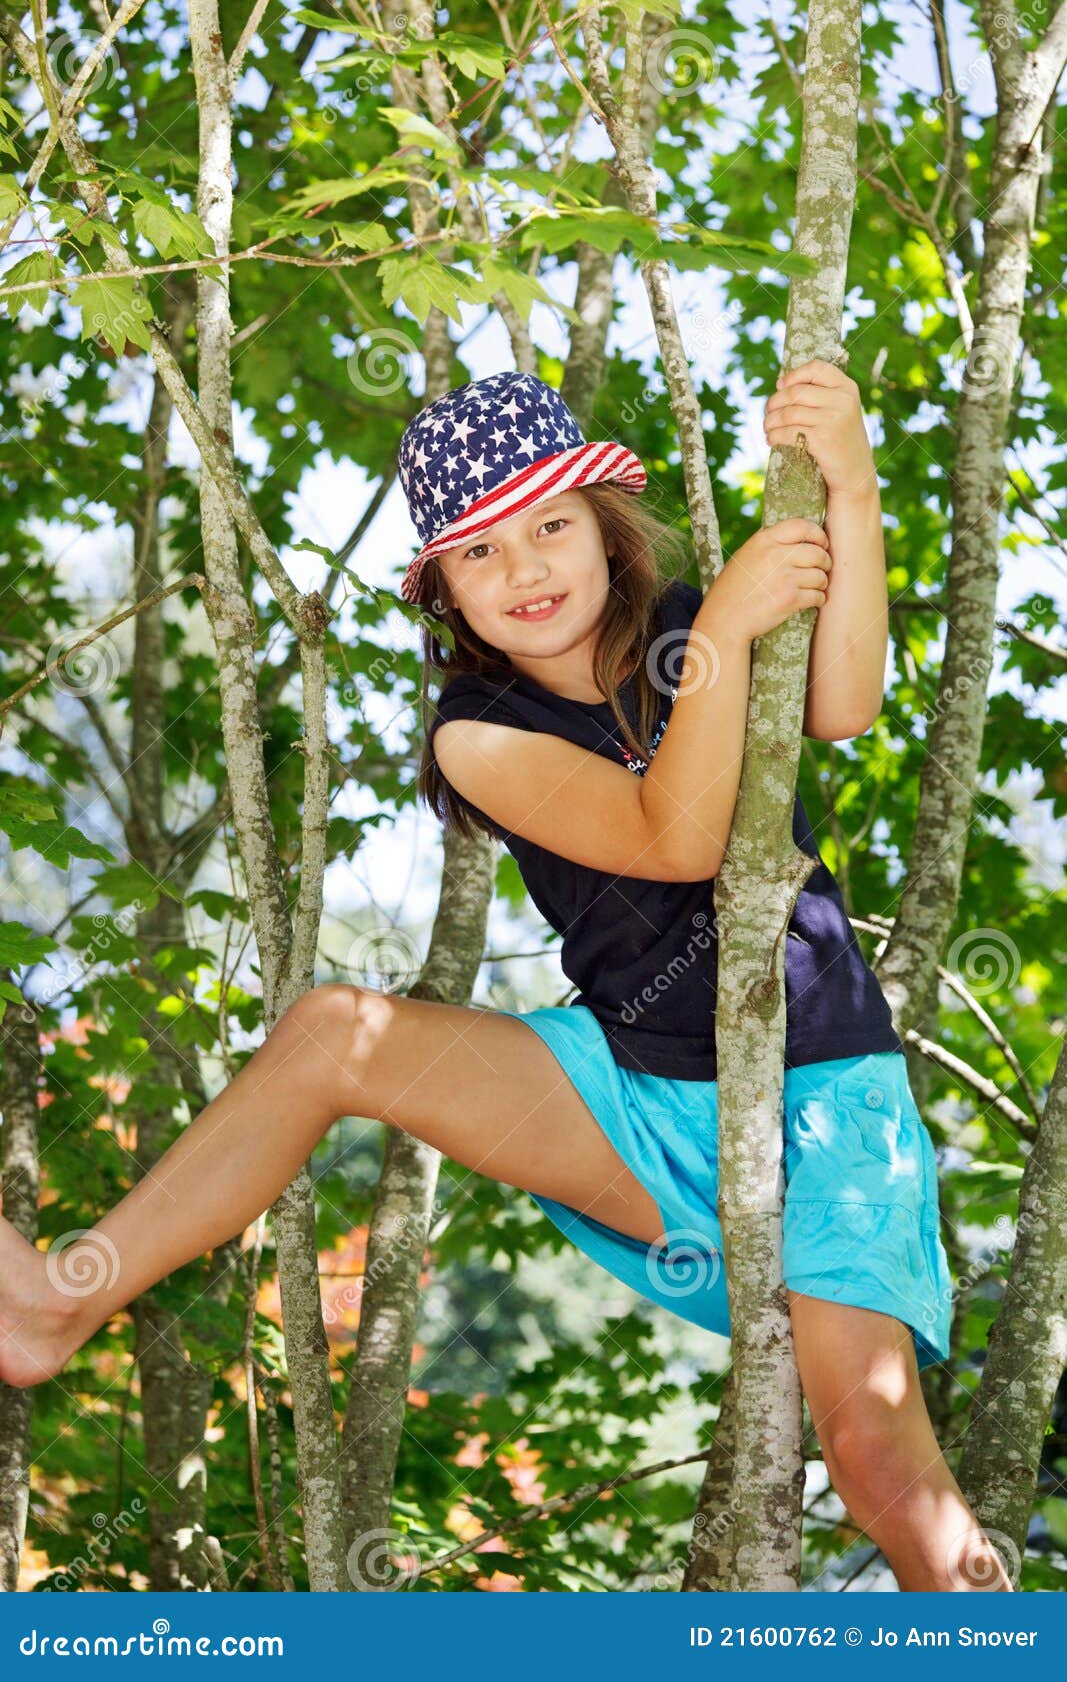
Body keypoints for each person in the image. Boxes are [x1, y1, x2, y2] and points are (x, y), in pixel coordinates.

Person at [0, 368, 1012, 1593]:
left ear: (603, 523)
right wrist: (734, 632)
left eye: (549, 524)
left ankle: (969, 1621)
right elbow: (671, 834)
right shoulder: (476, 733)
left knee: (869, 1445)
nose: (526, 566)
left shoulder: (696, 617)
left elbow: (842, 702)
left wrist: (847, 483)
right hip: (632, 1097)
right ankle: (62, 1299)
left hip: (830, 1098)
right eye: (480, 550)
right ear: (445, 592)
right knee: (334, 1031)